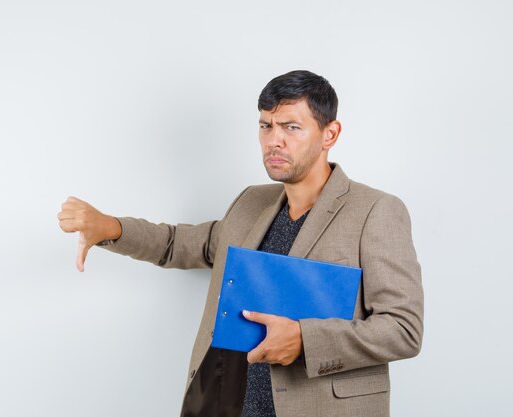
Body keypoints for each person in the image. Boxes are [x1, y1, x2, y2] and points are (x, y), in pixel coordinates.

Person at [57, 70, 424, 417]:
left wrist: (303, 339)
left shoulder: (376, 210)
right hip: (233, 404)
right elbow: (180, 243)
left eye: (291, 127)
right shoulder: (251, 201)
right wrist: (109, 227)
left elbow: (403, 329)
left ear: (330, 134)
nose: (274, 140)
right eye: (266, 126)